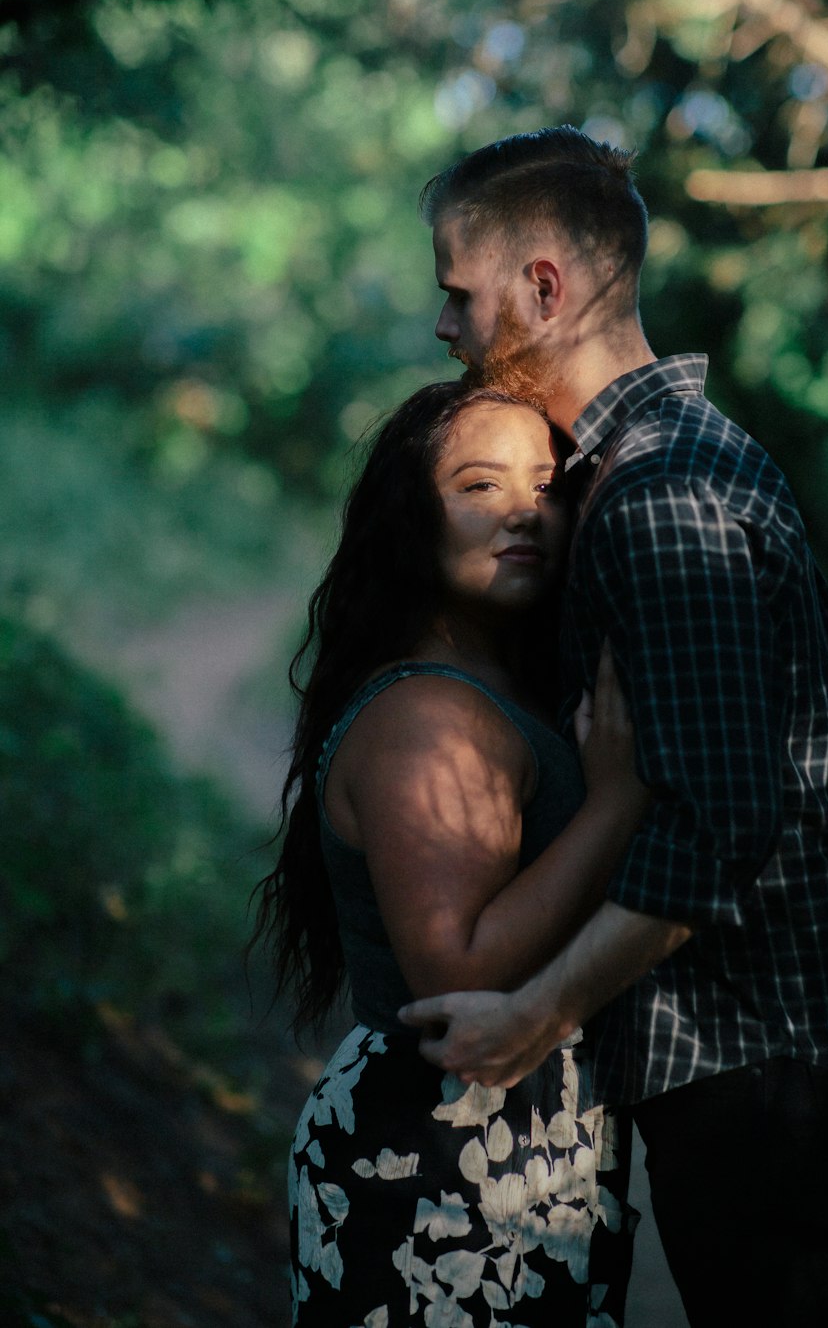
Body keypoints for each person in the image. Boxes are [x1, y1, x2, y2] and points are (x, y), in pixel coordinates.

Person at [399, 127, 828, 1327]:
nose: (445, 330)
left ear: (541, 287)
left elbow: (720, 821)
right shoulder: (656, 463)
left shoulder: (660, 490)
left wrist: (533, 1017)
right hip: (761, 1052)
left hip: (761, 1051)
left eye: (457, 296)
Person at [252, 380, 649, 1327]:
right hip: (436, 1159)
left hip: (512, 1150)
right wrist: (620, 798)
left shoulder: (493, 686)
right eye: (479, 485)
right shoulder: (429, 715)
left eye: (548, 487)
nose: (525, 512)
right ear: (408, 518)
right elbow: (453, 966)